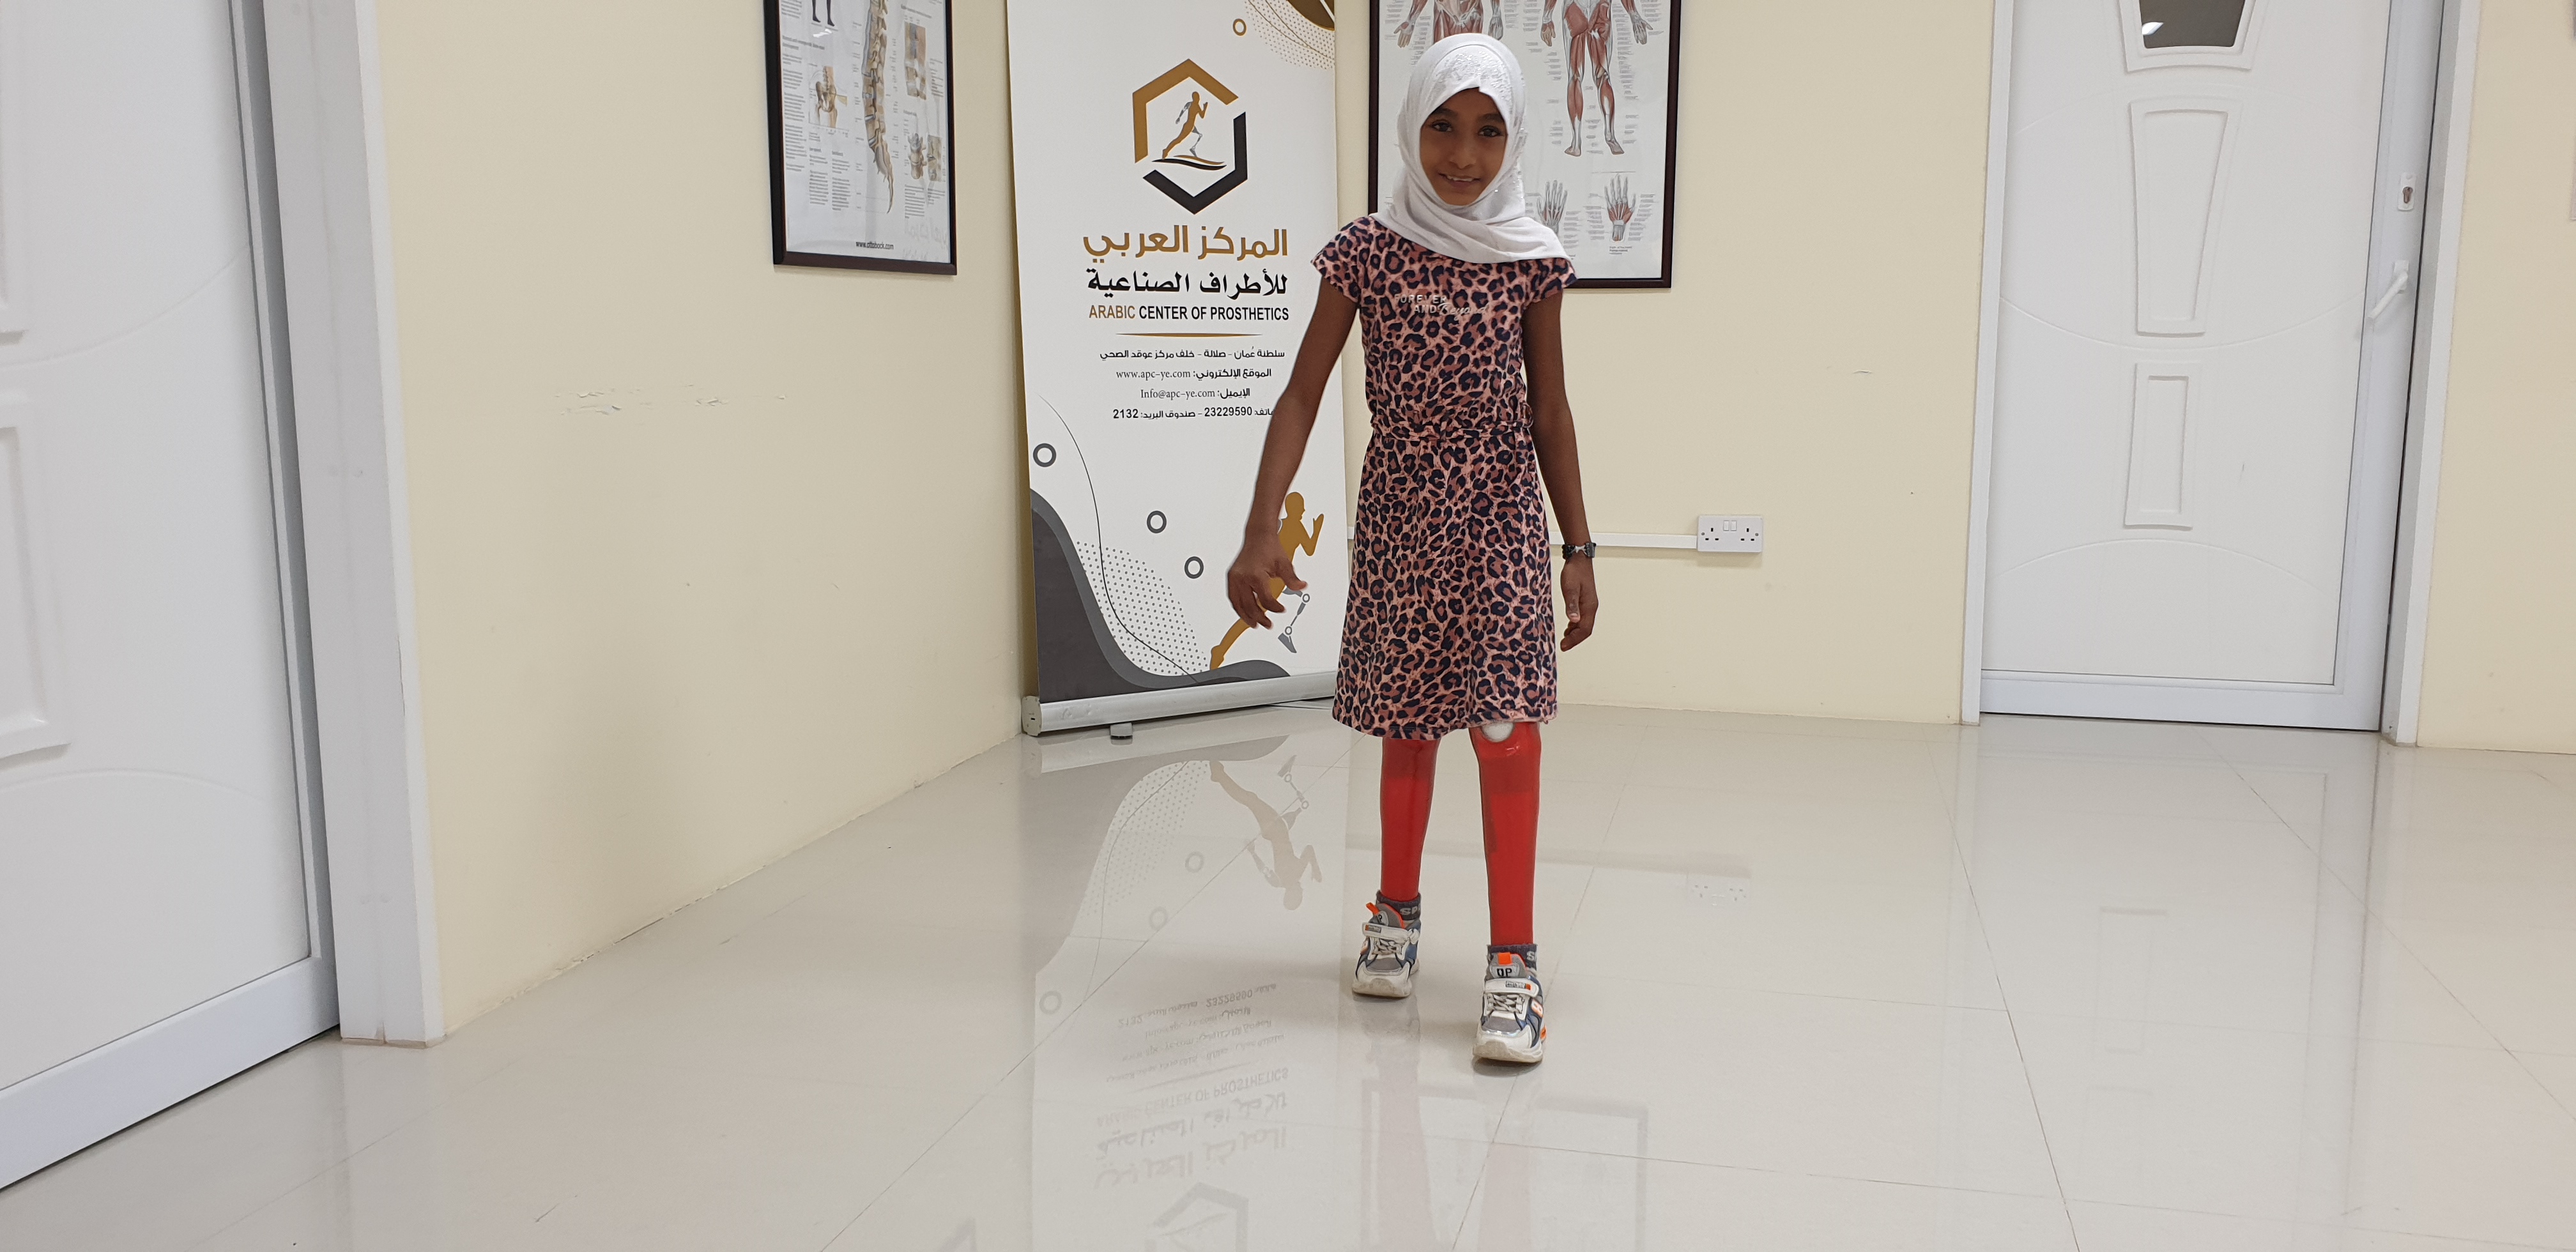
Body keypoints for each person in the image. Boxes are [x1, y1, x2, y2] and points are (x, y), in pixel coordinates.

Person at [1225, 34, 1598, 1064]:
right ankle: (1395, 912)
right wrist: (1261, 526)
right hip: (1401, 512)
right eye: (1443, 126)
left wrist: (1579, 545)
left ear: (1513, 140)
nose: (1463, 156)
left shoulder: (1530, 256)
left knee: (1505, 725)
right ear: (1411, 127)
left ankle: (1513, 963)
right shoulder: (1367, 251)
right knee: (1408, 719)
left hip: (1500, 514)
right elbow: (1303, 392)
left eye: (1488, 132)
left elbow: (1551, 410)